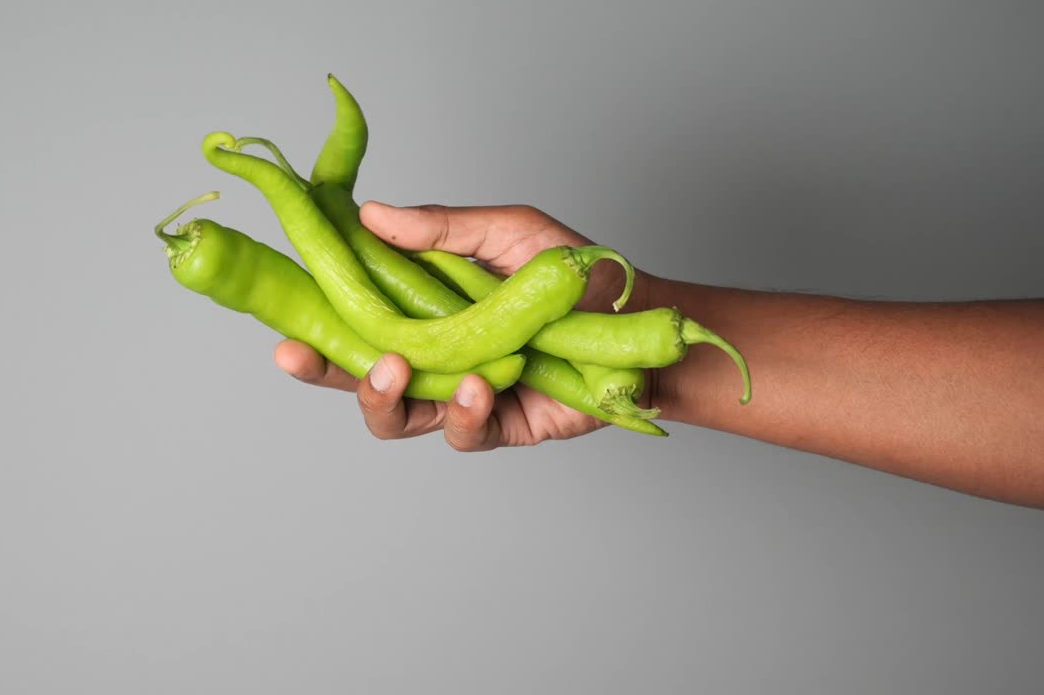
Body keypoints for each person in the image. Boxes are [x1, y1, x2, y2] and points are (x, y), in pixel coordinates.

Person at [272, 201, 1044, 510]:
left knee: (436, 350)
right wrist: (650, 346)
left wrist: (651, 347)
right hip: (614, 333)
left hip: (599, 334)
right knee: (441, 349)